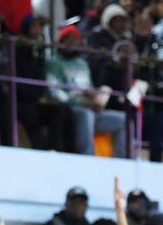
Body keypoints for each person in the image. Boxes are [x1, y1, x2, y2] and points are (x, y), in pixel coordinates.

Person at [46, 25, 127, 158]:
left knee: (123, 120)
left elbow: (90, 87)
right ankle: (88, 156)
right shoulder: (54, 63)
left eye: (75, 39)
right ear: (61, 42)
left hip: (91, 108)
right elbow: (54, 91)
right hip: (71, 110)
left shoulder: (83, 64)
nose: (72, 43)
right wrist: (76, 99)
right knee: (86, 114)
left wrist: (96, 97)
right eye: (68, 39)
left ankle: (124, 160)